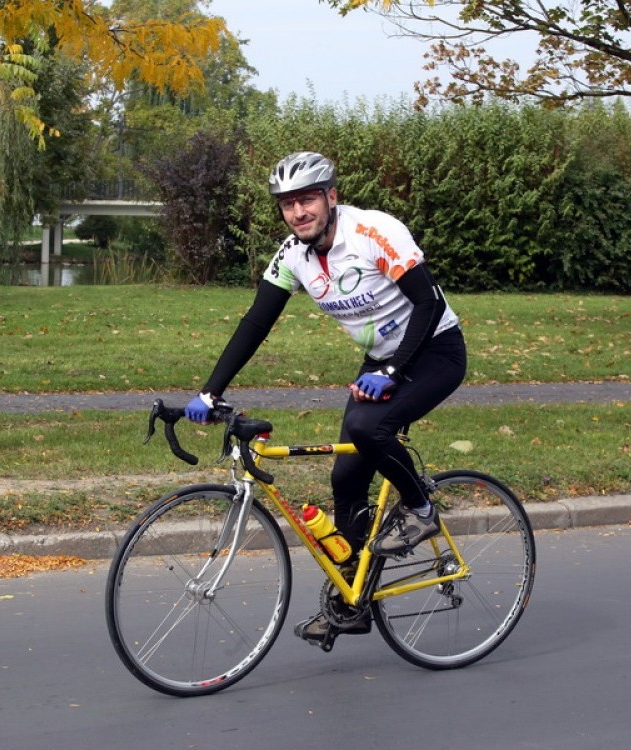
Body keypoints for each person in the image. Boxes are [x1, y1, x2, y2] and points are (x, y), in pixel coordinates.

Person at [185, 151, 467, 644]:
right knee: (346, 476)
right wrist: (211, 392)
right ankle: (351, 604)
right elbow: (256, 322)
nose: (298, 212)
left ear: (331, 197)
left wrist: (395, 371)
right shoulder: (293, 254)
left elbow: (429, 302)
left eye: (308, 199)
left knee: (367, 429)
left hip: (433, 351)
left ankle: (422, 512)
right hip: (381, 362)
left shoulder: (373, 232)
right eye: (288, 204)